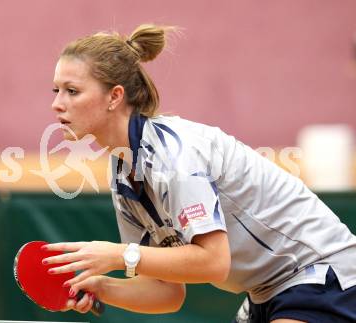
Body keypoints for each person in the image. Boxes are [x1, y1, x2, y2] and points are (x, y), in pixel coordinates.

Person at [41, 24, 356, 322]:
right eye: (56, 90)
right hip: (266, 291)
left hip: (322, 273)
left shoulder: (175, 155)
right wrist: (102, 287)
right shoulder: (124, 173)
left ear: (115, 96)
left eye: (72, 91)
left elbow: (214, 263)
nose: (57, 104)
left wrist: (119, 255)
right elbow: (166, 292)